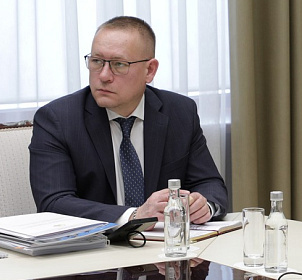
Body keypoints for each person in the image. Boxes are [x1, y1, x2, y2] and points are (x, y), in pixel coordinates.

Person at [29, 16, 228, 225]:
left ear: (149, 70)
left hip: (165, 241)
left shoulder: (179, 112)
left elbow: (209, 183)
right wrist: (134, 216)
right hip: (100, 242)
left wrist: (203, 206)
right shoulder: (58, 120)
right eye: (96, 61)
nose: (104, 75)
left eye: (118, 64)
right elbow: (54, 202)